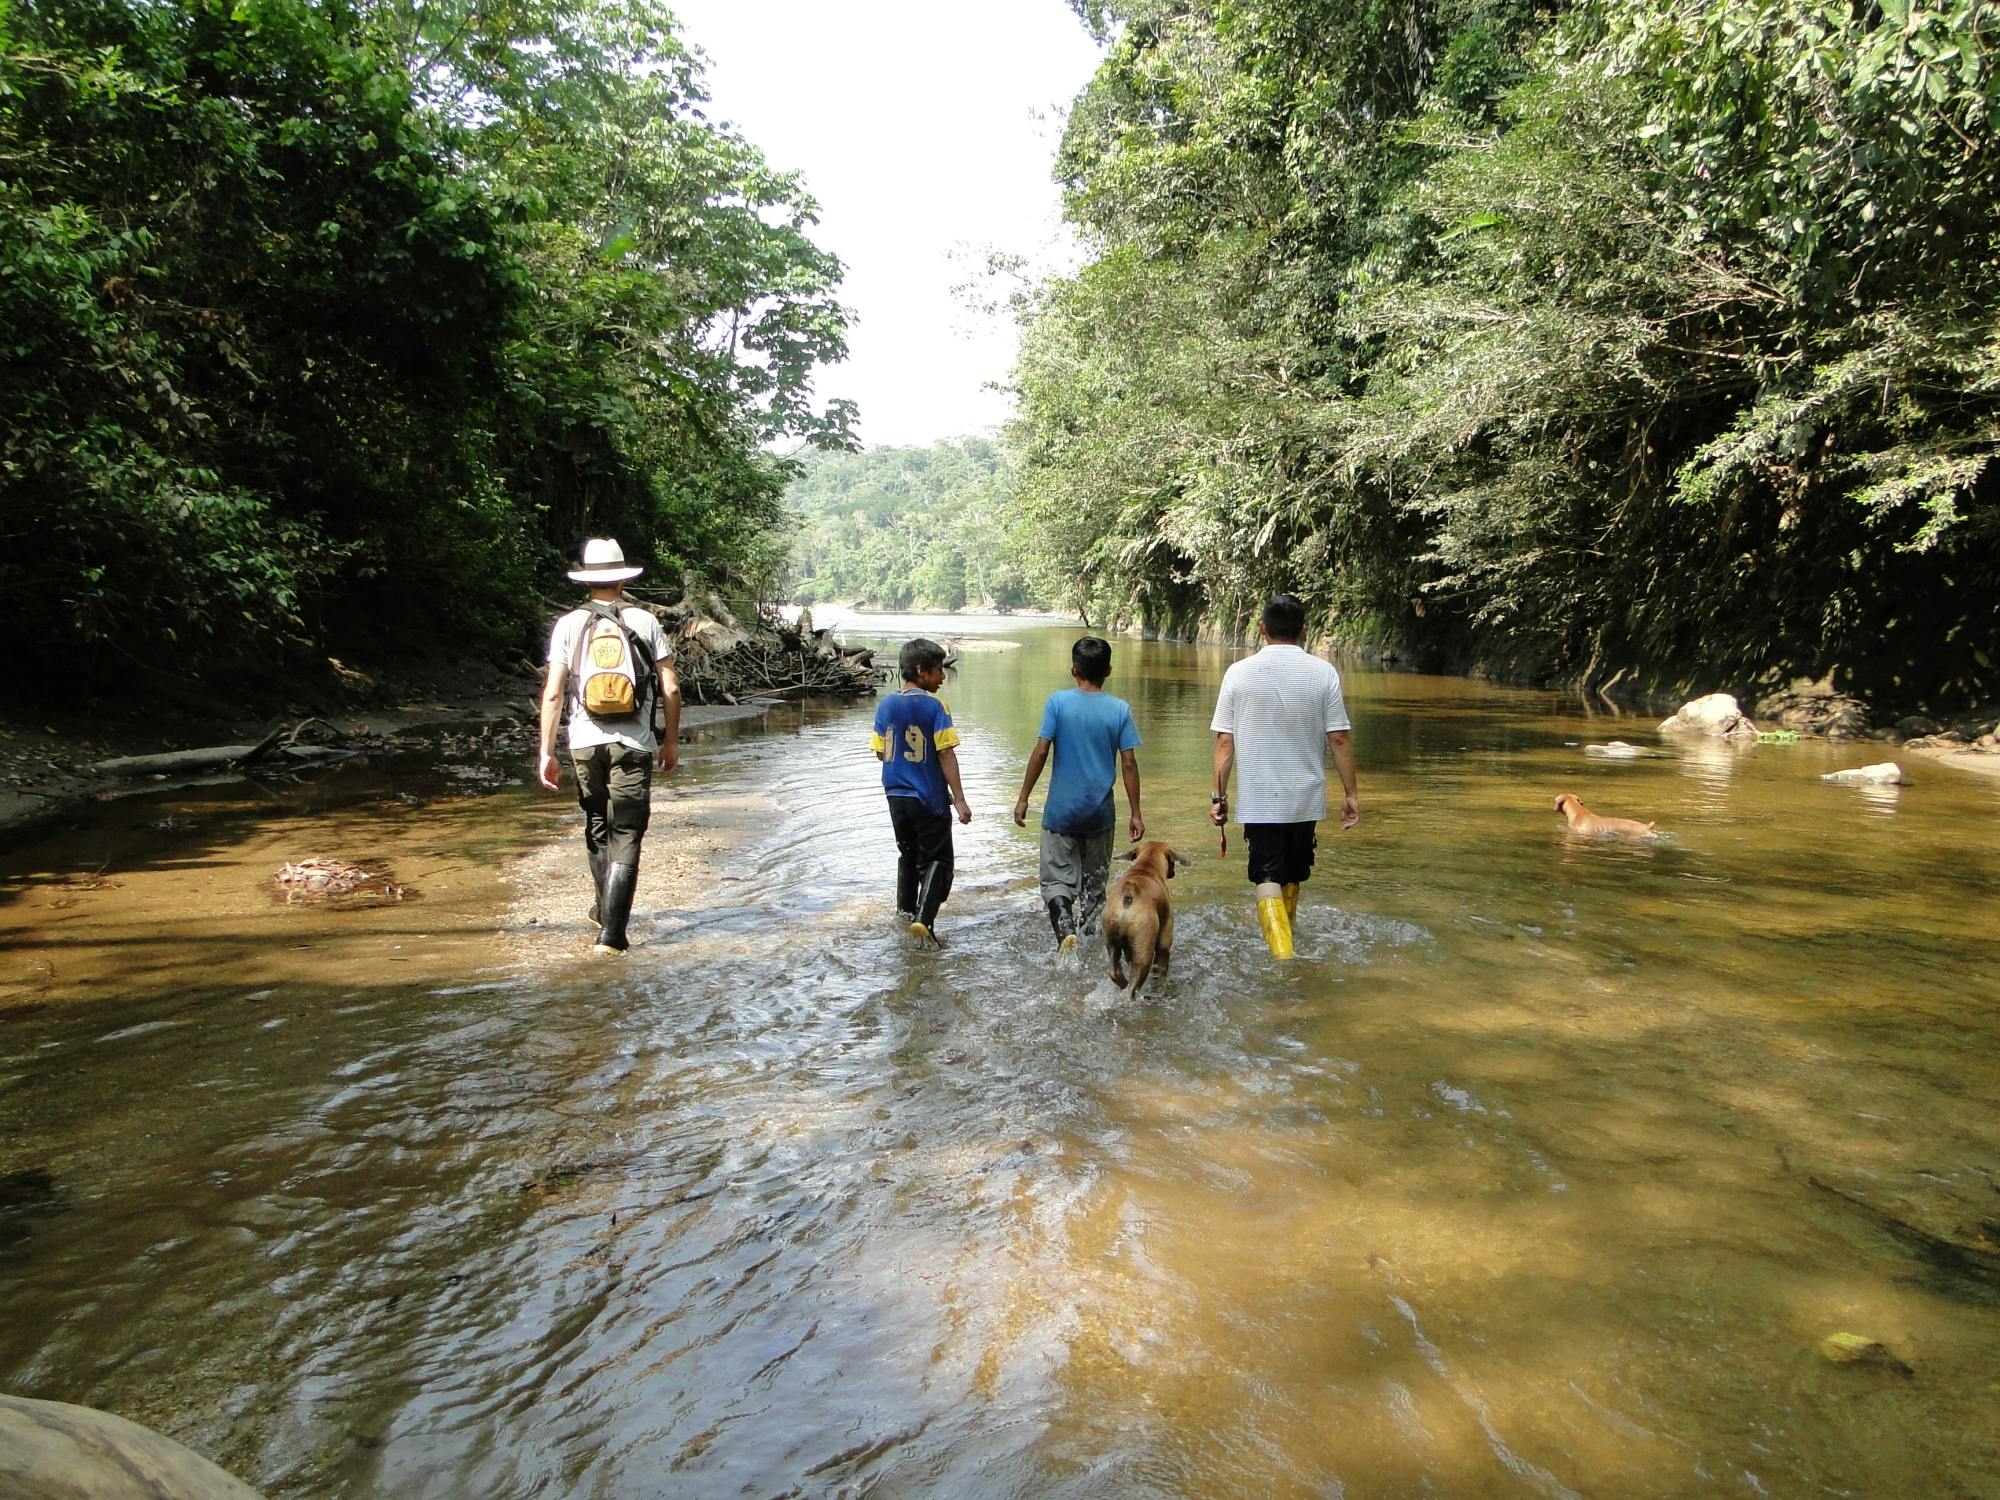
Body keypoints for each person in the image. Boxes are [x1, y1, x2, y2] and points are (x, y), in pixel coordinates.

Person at [536, 537, 682, 954]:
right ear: (621, 579)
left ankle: (604, 912)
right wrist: (669, 741)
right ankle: (612, 935)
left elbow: (552, 693)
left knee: (598, 825)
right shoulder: (645, 621)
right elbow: (670, 686)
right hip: (633, 742)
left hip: (585, 742)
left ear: (588, 581)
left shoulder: (568, 624)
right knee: (627, 832)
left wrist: (547, 752)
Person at [1209, 594, 1359, 959]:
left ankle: (1283, 959)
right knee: (1292, 873)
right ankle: (1285, 945)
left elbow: (1225, 742)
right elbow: (1338, 737)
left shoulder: (1238, 673)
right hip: (1305, 797)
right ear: (1304, 630)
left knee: (1266, 877)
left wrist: (1219, 797)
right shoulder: (1323, 673)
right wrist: (1351, 793)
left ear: (1261, 628)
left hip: (1260, 797)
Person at [1011, 635, 1143, 951]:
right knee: (1095, 889)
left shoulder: (1058, 703)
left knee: (1056, 881)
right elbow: (1128, 763)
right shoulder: (1119, 710)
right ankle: (1087, 945)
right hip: (1099, 814)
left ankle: (1064, 927)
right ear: (1108, 670)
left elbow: (1041, 751)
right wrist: (1136, 812)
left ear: (1073, 670)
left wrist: (1023, 797)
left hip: (1060, 812)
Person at [873, 638, 972, 945]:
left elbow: (879, 752)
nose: (943, 677)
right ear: (921, 671)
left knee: (908, 853)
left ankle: (905, 913)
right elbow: (945, 753)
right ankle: (924, 921)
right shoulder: (935, 706)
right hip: (928, 797)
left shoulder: (886, 704)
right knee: (939, 862)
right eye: (938, 670)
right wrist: (960, 799)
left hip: (895, 796)